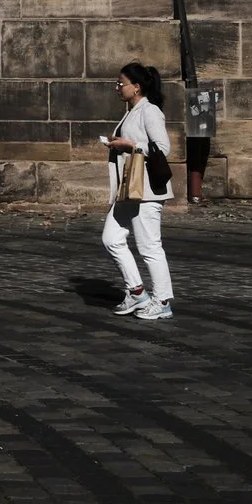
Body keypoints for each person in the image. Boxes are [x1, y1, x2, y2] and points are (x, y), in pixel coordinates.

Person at [101, 60, 175, 321]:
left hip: (147, 190)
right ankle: (136, 292)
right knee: (111, 239)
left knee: (149, 247)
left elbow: (163, 148)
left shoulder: (150, 111)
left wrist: (131, 145)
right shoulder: (132, 111)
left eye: (121, 83)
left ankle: (162, 301)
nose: (117, 87)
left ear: (136, 87)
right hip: (129, 188)